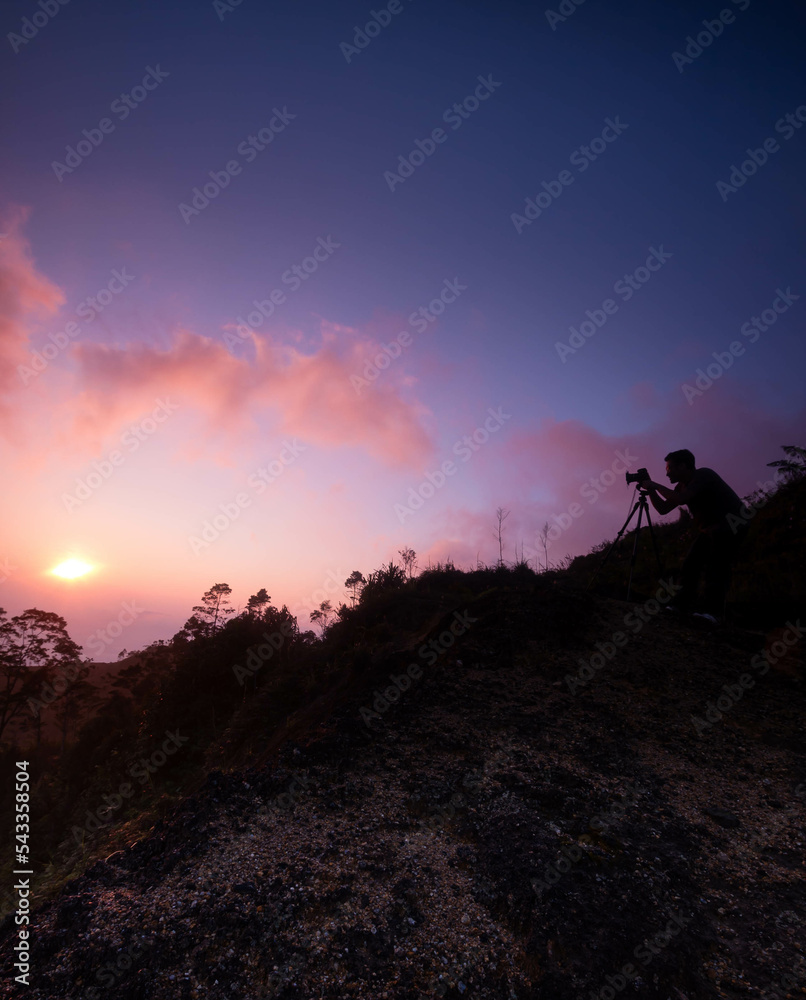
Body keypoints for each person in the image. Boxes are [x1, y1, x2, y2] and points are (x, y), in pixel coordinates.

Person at [639, 449, 749, 624]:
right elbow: (663, 508)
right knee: (690, 565)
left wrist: (656, 485)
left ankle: (713, 613)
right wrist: (651, 490)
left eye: (669, 468)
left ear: (683, 466)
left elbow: (682, 499)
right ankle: (680, 606)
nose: (666, 473)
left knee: (716, 566)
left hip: (732, 525)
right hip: (710, 529)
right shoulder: (681, 486)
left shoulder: (703, 475)